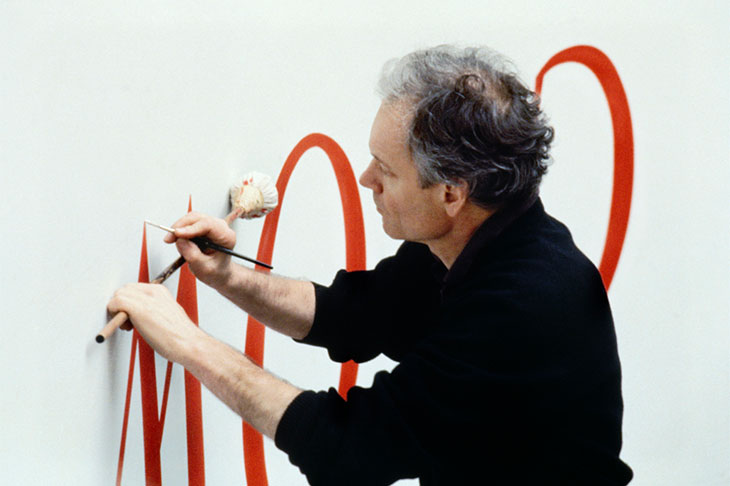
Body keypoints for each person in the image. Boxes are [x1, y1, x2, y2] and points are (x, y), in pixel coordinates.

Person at [108, 45, 633, 485]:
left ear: (452, 192)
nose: (365, 179)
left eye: (386, 170)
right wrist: (224, 274)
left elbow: (347, 447)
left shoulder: (523, 303)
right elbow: (350, 314)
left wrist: (188, 343)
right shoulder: (469, 239)